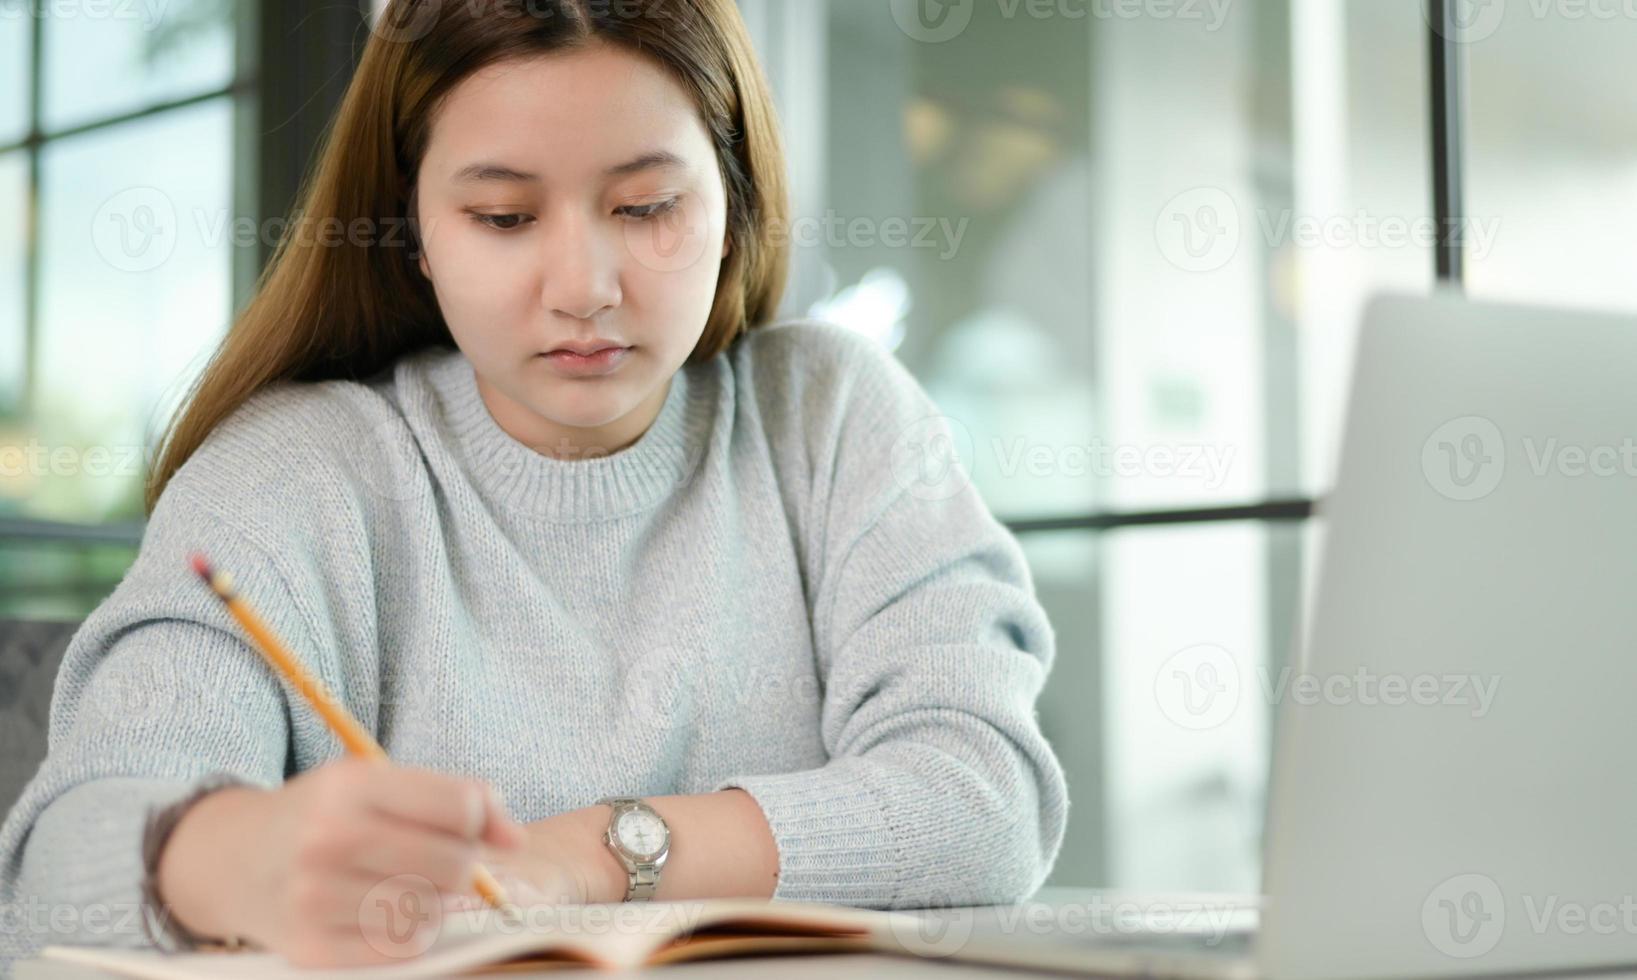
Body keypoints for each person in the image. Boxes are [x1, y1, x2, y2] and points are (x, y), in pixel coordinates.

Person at [0, 0, 1069, 971]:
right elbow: (58, 857)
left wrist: (596, 853)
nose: (584, 289)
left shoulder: (833, 418)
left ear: (734, 203)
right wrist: (237, 857)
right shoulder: (293, 475)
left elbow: (982, 796)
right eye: (504, 218)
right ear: (412, 230)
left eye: (646, 206)